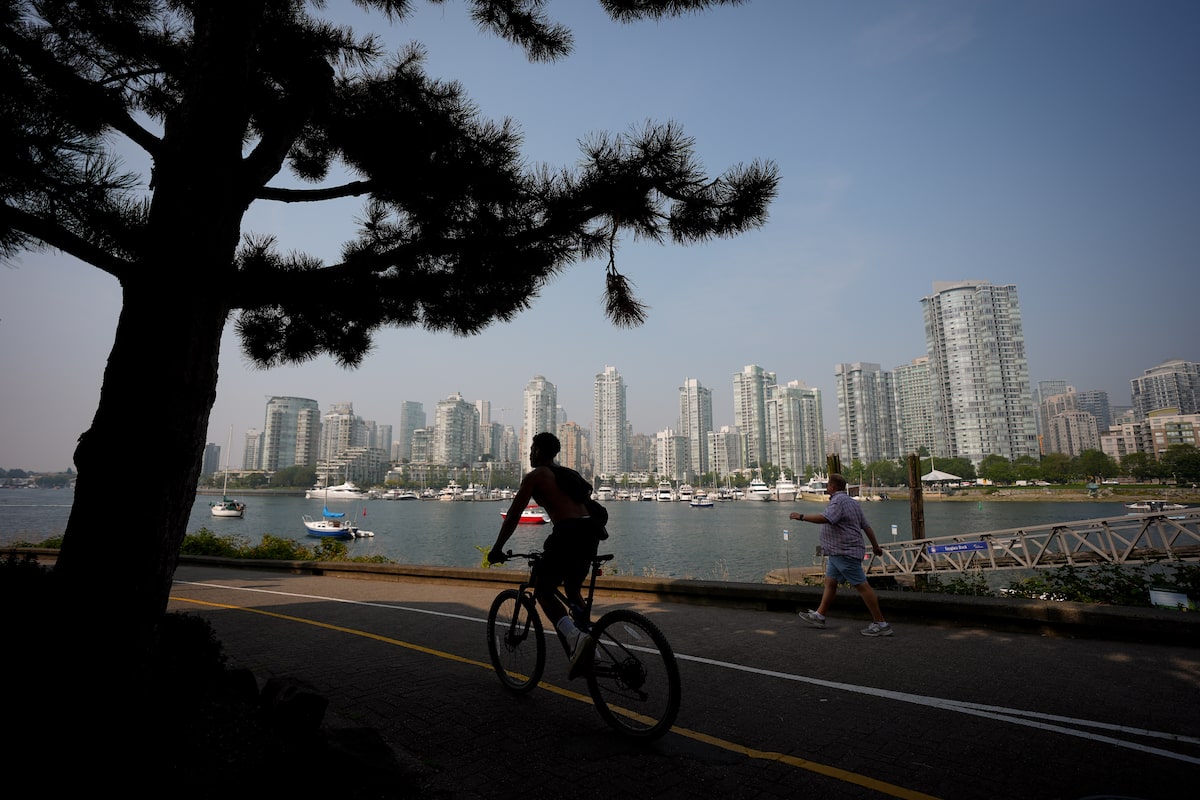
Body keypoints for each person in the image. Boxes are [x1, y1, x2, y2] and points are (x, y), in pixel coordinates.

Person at [488, 431, 609, 678]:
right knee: (572, 590)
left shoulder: (536, 476)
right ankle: (591, 651)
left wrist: (497, 548)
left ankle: (576, 638)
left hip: (568, 532)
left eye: (532, 449)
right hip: (591, 532)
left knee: (543, 591)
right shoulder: (567, 474)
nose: (530, 454)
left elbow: (513, 515)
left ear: (539, 451)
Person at [789, 473, 893, 637]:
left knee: (862, 586)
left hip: (844, 551)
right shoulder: (852, 502)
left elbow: (826, 518)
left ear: (832, 487)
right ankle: (820, 615)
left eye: (828, 485)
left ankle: (881, 623)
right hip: (837, 552)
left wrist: (801, 517)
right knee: (830, 582)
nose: (826, 487)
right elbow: (866, 527)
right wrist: (875, 546)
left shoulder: (838, 501)